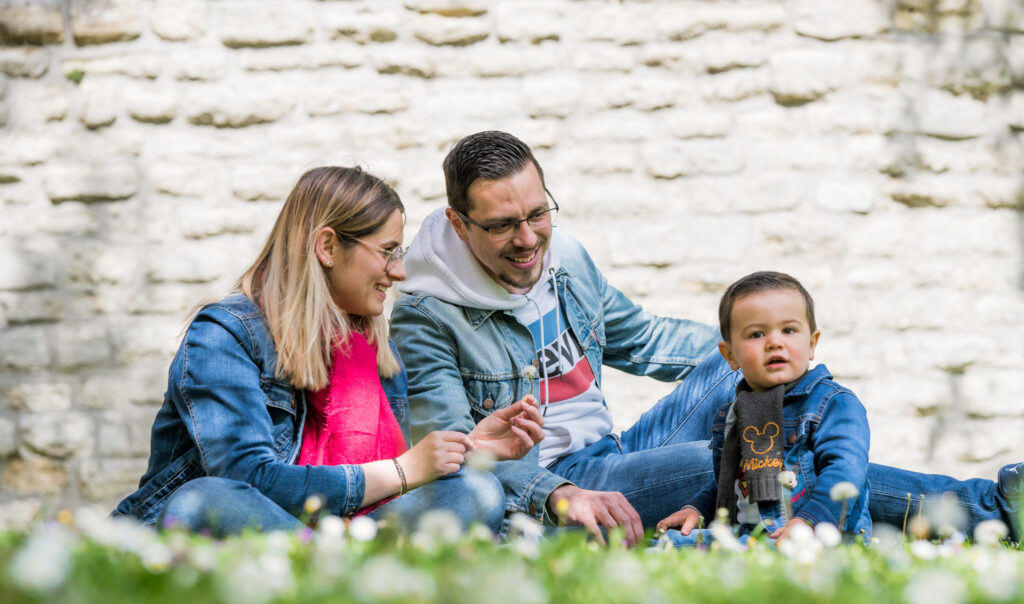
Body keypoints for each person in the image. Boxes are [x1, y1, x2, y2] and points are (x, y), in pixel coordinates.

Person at [391, 130, 1022, 544]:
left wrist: (758, 350)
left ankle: (784, 503)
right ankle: (985, 509)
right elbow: (452, 450)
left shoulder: (566, 260)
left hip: (617, 447)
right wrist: (558, 492)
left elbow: (645, 337)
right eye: (504, 226)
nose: (529, 240)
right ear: (458, 222)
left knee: (755, 382)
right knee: (734, 458)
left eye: (538, 214)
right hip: (555, 483)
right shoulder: (427, 316)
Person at [113, 166, 543, 537]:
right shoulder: (224, 337)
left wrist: (467, 449)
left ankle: (329, 565)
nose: (400, 270)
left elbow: (389, 488)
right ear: (328, 248)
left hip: (343, 531)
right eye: (388, 252)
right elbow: (250, 480)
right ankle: (343, 569)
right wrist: (403, 471)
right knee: (201, 501)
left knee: (475, 492)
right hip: (260, 523)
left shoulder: (376, 352)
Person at [657, 272, 871, 547]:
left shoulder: (833, 403)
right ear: (730, 355)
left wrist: (808, 523)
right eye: (757, 334)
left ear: (812, 344)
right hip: (749, 534)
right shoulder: (735, 413)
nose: (774, 342)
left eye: (789, 330)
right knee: (670, 544)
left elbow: (845, 472)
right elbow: (727, 481)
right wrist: (696, 509)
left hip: (813, 536)